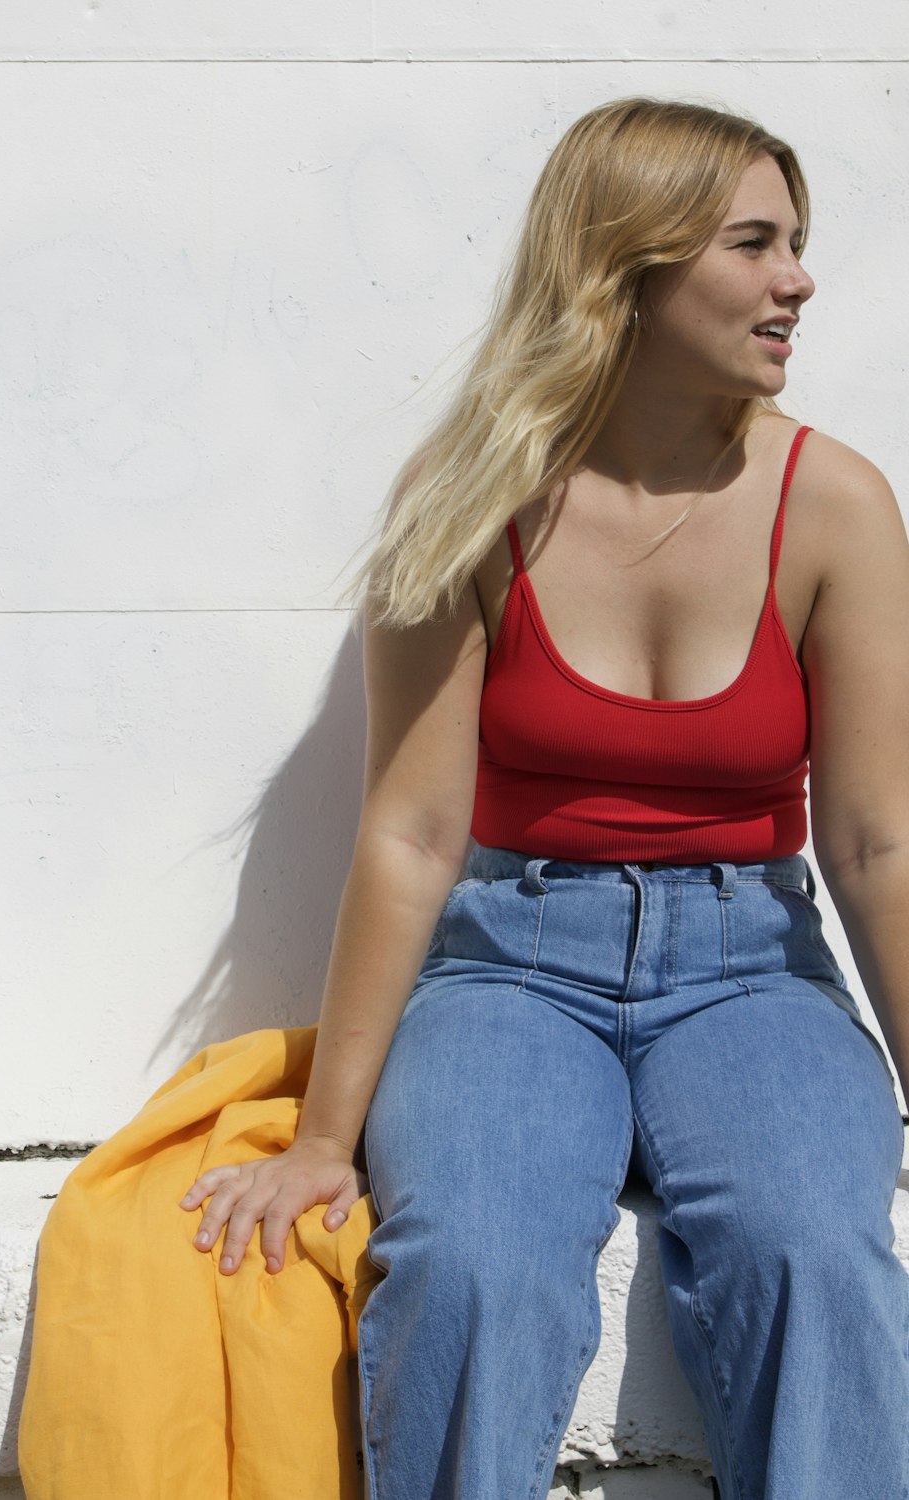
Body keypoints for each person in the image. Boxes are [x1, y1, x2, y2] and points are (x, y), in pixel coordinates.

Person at [178, 97, 909, 1499]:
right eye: (755, 244)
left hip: (752, 969)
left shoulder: (837, 506)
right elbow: (413, 830)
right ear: (627, 269)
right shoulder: (473, 500)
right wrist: (324, 1139)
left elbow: (879, 839)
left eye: (797, 243)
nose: (797, 280)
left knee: (814, 1255)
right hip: (512, 968)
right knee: (469, 1270)